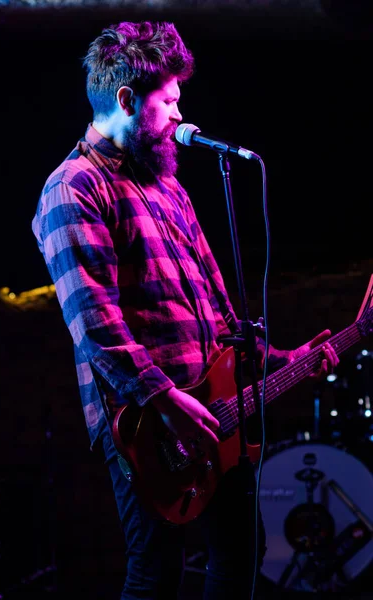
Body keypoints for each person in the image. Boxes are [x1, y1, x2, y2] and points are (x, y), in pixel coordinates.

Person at [31, 20, 339, 600]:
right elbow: (95, 322)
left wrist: (280, 360)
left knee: (240, 554)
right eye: (168, 99)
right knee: (157, 573)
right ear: (126, 99)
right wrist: (161, 396)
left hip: (215, 409)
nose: (179, 113)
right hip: (147, 426)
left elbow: (218, 312)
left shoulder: (170, 187)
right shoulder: (73, 189)